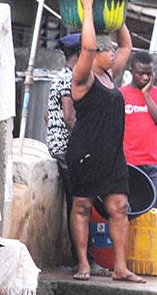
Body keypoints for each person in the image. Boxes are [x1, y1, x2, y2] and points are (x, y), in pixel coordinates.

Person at [66, 0, 144, 283]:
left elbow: (127, 45)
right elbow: (86, 48)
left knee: (119, 207)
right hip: (86, 151)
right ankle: (84, 263)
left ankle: (120, 267)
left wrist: (116, 16)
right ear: (96, 54)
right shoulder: (83, 76)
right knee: (82, 206)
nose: (113, 54)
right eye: (107, 51)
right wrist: (87, 7)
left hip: (112, 154)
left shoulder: (111, 76)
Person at [45, 33, 109, 277]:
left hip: (61, 147)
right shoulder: (69, 79)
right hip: (68, 150)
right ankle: (84, 260)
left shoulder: (59, 77)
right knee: (79, 205)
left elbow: (47, 116)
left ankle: (84, 259)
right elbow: (70, 117)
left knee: (78, 204)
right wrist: (87, 143)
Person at [120, 51, 157, 268]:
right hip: (128, 163)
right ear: (131, 72)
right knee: (126, 209)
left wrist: (146, 96)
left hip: (154, 162)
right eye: (140, 74)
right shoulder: (121, 94)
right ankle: (123, 256)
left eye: (149, 73)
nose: (144, 78)